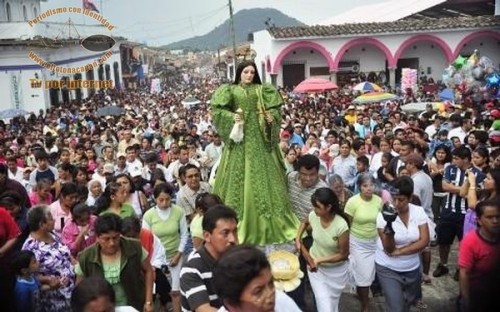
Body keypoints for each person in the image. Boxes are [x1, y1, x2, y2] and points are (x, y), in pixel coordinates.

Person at [210, 60, 299, 245]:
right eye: (246, 72)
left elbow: (275, 113)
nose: (249, 75)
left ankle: (269, 225)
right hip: (239, 140)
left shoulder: (262, 90)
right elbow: (218, 111)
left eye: (252, 72)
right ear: (239, 73)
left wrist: (270, 119)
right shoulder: (231, 90)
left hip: (260, 140)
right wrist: (232, 117)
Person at [76, 214, 154, 312]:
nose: (112, 243)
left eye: (115, 237)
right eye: (106, 239)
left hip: (133, 306)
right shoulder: (86, 257)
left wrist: (148, 301)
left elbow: (149, 271)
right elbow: (80, 288)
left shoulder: (134, 247)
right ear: (98, 237)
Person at [376, 177, 430, 312]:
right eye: (394, 198)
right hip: (388, 267)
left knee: (407, 304)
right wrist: (389, 224)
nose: (396, 203)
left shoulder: (418, 211)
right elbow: (389, 248)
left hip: (412, 268)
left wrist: (400, 251)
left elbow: (424, 241)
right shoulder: (383, 215)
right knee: (396, 307)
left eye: (401, 199)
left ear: (410, 198)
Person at [295, 187, 350, 312]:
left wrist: (320, 260)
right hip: (317, 272)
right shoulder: (314, 215)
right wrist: (298, 238)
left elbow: (344, 254)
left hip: (336, 272)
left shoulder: (341, 226)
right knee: (324, 304)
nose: (314, 210)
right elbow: (304, 222)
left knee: (331, 305)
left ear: (328, 207)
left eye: (317, 207)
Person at [180, 205, 238, 312]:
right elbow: (203, 309)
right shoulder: (192, 267)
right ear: (207, 236)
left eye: (234, 231)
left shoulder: (236, 259)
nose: (232, 239)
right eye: (225, 233)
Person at [142, 183, 189, 312]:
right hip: (156, 258)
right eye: (160, 200)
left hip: (175, 254)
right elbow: (146, 240)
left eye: (167, 199)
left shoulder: (178, 211)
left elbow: (184, 235)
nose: (164, 203)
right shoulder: (149, 215)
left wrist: (178, 254)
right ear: (155, 199)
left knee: (176, 290)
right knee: (156, 290)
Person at [213, 245, 301, 312]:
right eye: (258, 291)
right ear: (231, 305)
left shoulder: (281, 301)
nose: (270, 296)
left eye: (271, 284)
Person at [22, 204, 75, 312]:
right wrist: (48, 280)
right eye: (50, 218)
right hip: (54, 300)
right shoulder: (30, 248)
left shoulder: (53, 235)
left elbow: (66, 253)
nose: (54, 220)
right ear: (42, 224)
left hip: (71, 293)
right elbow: (29, 276)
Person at [344, 173, 383, 312]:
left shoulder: (379, 201)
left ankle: (361, 294)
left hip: (375, 242)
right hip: (358, 243)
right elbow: (347, 224)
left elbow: (382, 222)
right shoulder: (352, 202)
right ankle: (365, 306)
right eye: (365, 186)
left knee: (370, 274)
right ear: (359, 187)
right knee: (364, 277)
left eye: (371, 185)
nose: (369, 188)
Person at [458, 200, 500, 311]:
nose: (495, 221)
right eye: (489, 217)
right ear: (479, 221)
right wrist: (466, 302)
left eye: (498, 217)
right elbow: (464, 273)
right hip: (478, 297)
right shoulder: (470, 242)